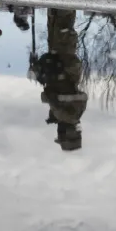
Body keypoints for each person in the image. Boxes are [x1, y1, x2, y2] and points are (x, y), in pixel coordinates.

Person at [34, 8, 87, 152]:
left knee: (55, 29)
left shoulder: (67, 115)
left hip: (61, 63)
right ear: (68, 134)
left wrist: (54, 114)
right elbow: (51, 96)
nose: (59, 132)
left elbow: (55, 94)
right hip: (64, 63)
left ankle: (57, 5)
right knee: (62, 31)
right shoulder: (70, 115)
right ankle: (64, 2)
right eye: (61, 135)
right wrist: (54, 103)